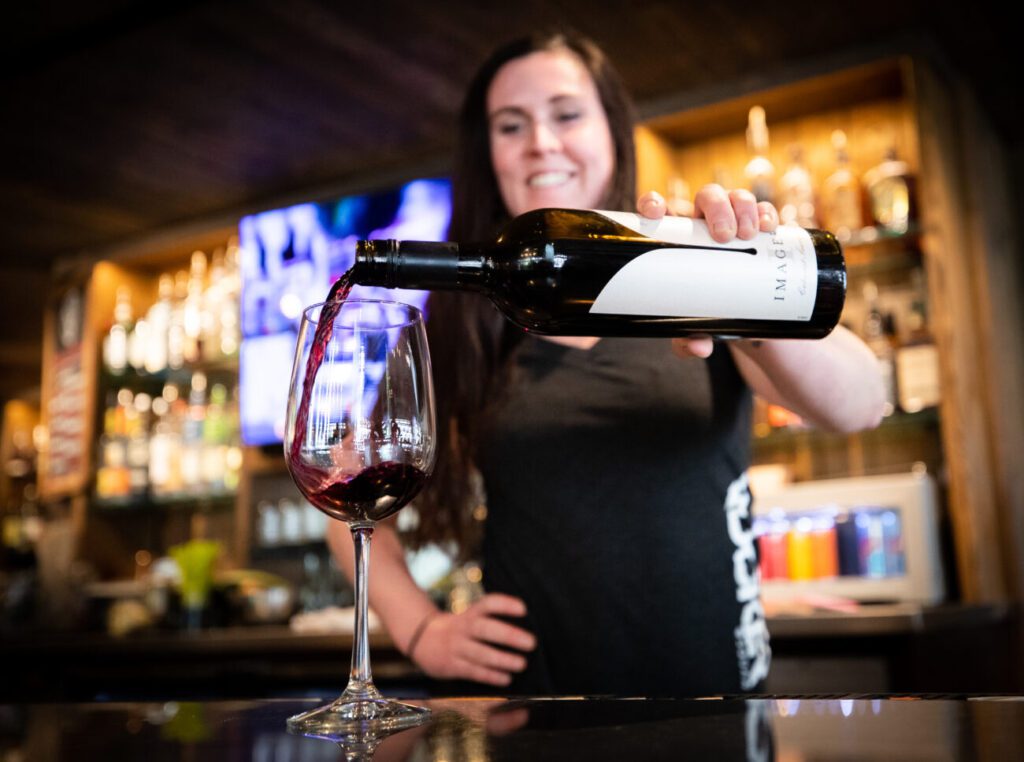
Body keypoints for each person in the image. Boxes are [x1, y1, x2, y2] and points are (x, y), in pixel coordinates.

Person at [328, 30, 885, 696]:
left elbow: (863, 404)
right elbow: (344, 485)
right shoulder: (461, 322)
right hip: (536, 713)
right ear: (488, 155)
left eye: (566, 114)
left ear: (613, 132)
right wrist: (421, 630)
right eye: (511, 125)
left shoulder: (693, 264)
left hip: (716, 705)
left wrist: (741, 284)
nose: (540, 141)